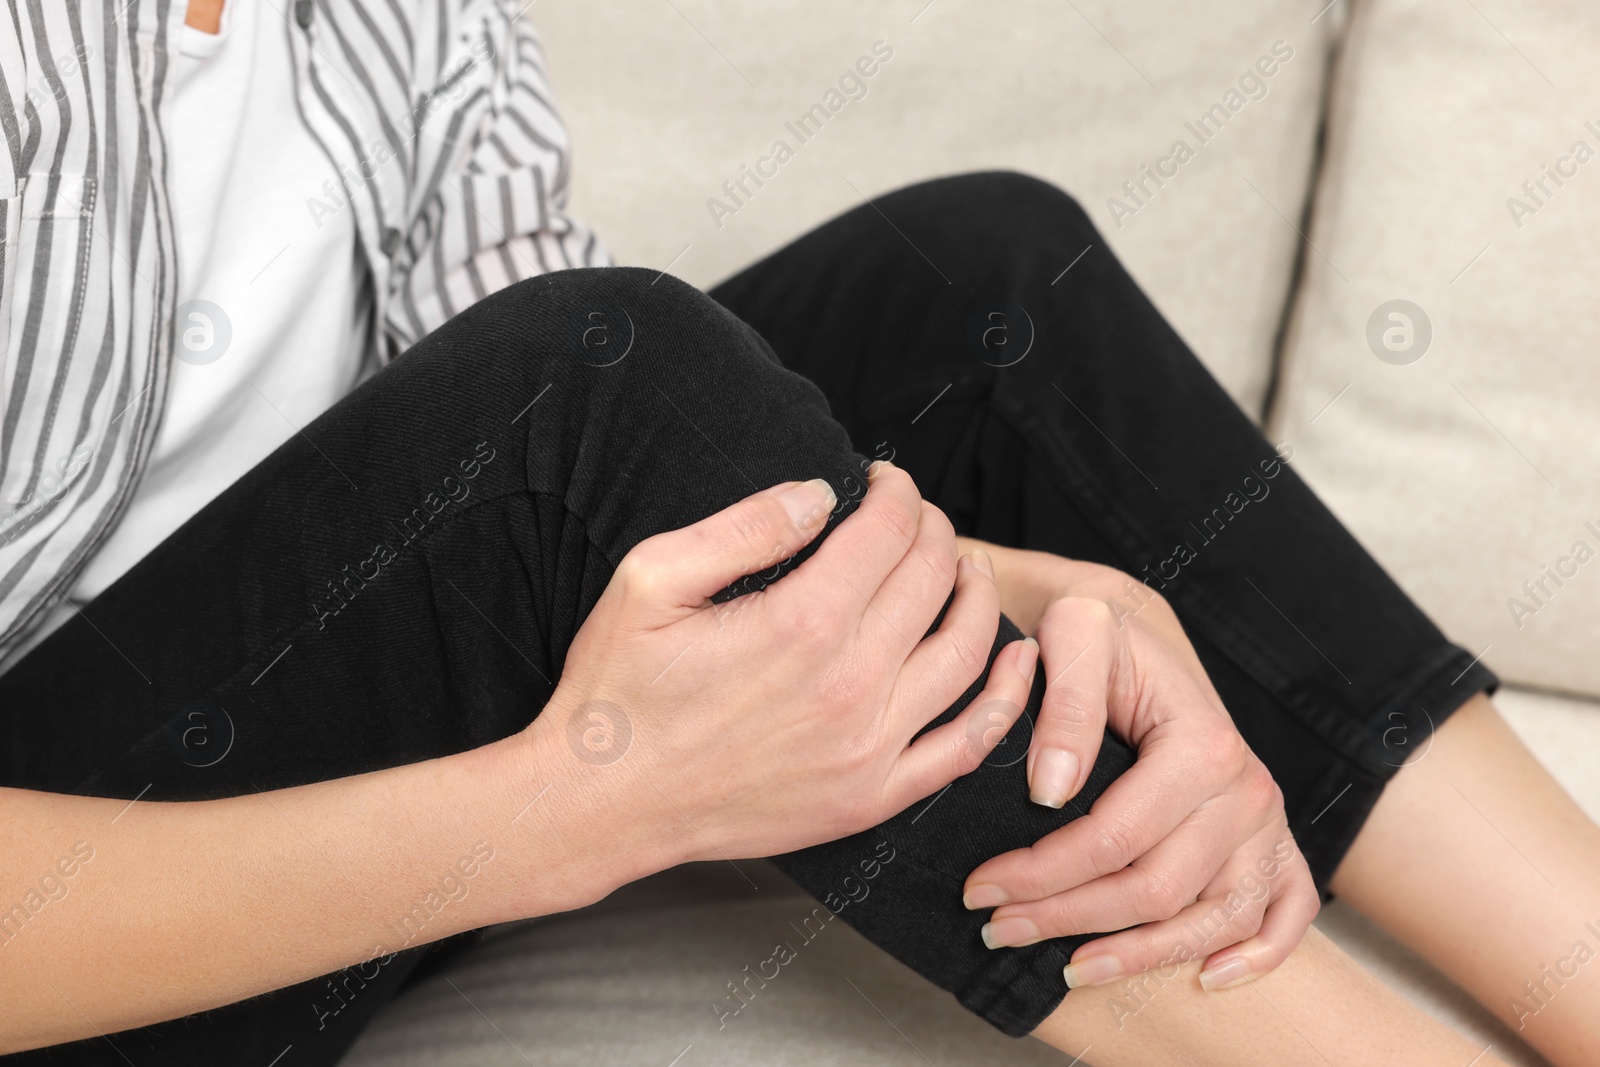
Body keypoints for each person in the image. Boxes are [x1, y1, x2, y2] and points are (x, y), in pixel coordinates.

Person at [0, 4, 1595, 1066]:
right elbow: (574, 435)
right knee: (604, 382)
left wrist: (1052, 590)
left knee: (980, 285)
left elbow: (515, 456)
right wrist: (564, 811)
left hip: (320, 766)